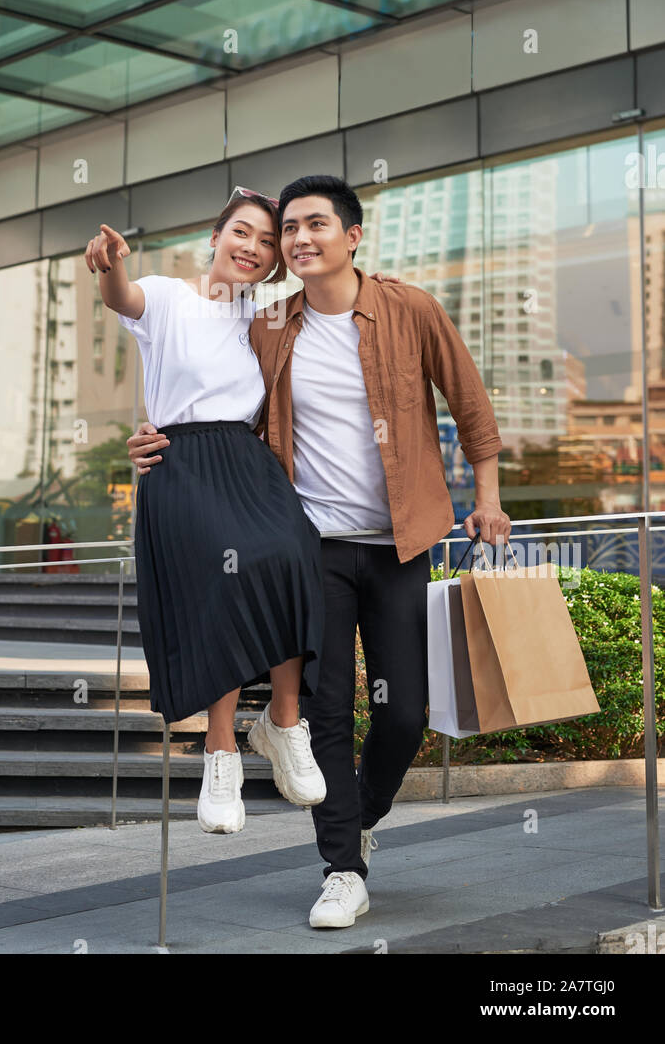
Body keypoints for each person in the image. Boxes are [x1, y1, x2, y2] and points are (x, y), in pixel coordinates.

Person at [127, 174, 511, 930]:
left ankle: (357, 817)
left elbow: (470, 404)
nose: (298, 240)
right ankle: (341, 869)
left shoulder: (409, 309)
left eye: (313, 226)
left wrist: (489, 498)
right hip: (312, 545)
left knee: (401, 715)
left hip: (399, 542)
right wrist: (149, 438)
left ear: (351, 236)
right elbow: (207, 395)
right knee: (327, 711)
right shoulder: (269, 326)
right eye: (287, 231)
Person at [85, 189, 328, 837]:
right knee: (223, 582)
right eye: (241, 233)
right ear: (215, 238)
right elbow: (120, 298)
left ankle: (281, 723)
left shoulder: (268, 322)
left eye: (266, 242)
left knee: (295, 556)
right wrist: (109, 263)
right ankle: (220, 753)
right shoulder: (166, 295)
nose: (251, 247)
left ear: (275, 261)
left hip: (246, 461)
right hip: (180, 463)